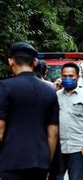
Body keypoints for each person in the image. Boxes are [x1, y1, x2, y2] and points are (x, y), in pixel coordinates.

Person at [0, 42, 59, 180]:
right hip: (40, 162)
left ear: (11, 61)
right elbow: (53, 133)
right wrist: (47, 164)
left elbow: (0, 129)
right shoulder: (50, 92)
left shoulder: (4, 88)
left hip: (10, 161)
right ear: (35, 62)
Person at [56, 62, 83, 180]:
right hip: (58, 146)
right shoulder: (55, 96)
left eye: (71, 76)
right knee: (56, 177)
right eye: (64, 76)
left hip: (78, 146)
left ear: (78, 77)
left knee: (75, 177)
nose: (67, 78)